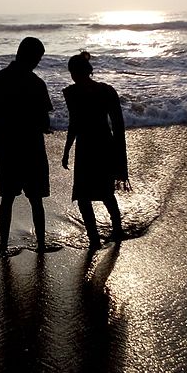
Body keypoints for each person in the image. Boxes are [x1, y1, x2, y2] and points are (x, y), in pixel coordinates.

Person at [0, 37, 53, 253]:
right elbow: (45, 123)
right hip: (31, 148)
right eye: (38, 58)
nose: (38, 63)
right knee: (36, 200)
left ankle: (4, 246)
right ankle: (41, 245)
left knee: (7, 200)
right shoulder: (37, 84)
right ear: (33, 57)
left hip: (6, 147)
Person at [61, 51, 128, 247]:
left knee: (90, 195)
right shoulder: (104, 91)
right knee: (99, 194)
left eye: (73, 71)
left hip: (90, 147)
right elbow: (117, 126)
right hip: (100, 145)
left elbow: (74, 124)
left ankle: (101, 236)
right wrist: (66, 151)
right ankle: (108, 233)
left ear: (77, 72)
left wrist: (67, 150)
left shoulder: (75, 93)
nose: (72, 76)